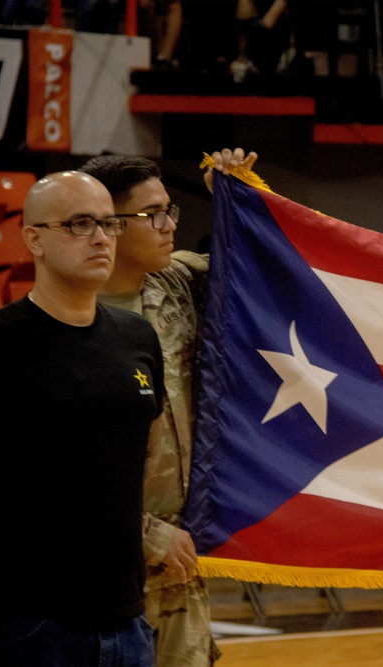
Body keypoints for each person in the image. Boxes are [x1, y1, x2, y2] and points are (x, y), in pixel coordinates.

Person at [0, 171, 163, 666]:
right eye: (80, 224)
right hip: (25, 627)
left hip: (129, 624)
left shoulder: (137, 338)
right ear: (33, 238)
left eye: (108, 224)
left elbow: (136, 455)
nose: (101, 237)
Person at [78, 148, 257, 667]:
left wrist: (230, 192)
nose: (168, 225)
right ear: (106, 225)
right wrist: (144, 533)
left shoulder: (176, 282)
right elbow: (49, 470)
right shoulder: (69, 315)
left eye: (170, 210)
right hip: (102, 562)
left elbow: (265, 268)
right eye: (152, 214)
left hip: (179, 556)